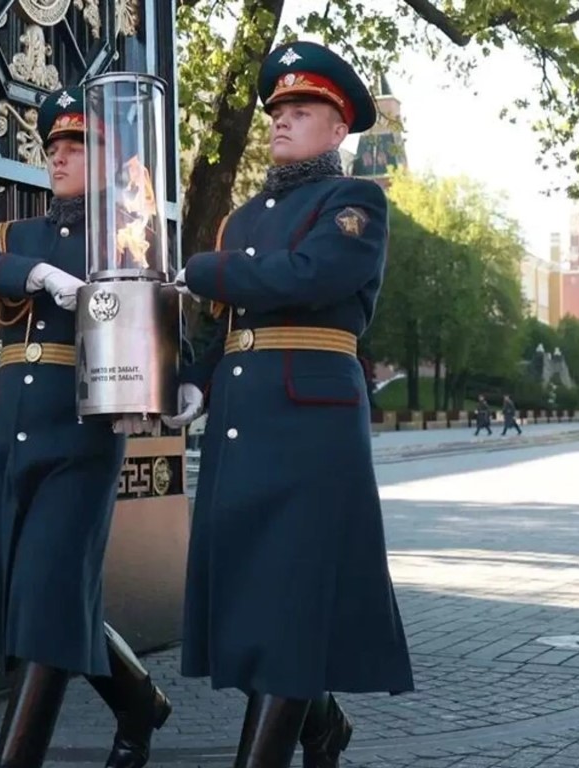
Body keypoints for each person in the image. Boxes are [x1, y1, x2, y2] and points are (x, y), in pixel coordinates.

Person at [166, 41, 414, 766]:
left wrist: (209, 270)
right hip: (242, 425)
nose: (281, 118)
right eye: (278, 109)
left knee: (293, 598)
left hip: (312, 427)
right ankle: (322, 723)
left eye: (301, 110)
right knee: (254, 601)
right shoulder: (242, 218)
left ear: (337, 130)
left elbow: (310, 275)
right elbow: (223, 325)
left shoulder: (355, 201)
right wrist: (195, 379)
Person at [0, 86, 170, 768]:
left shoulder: (128, 233)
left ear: (110, 159)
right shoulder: (20, 236)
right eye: (54, 147)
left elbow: (157, 323)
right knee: (35, 593)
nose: (59, 157)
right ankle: (137, 702)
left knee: (44, 600)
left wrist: (177, 377)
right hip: (12, 432)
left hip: (81, 432)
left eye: (78, 146)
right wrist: (31, 273)